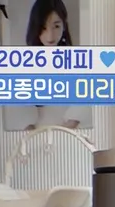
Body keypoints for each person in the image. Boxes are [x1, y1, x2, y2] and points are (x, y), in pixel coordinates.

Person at [19, 0, 83, 130]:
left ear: (64, 25)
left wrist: (65, 130)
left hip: (68, 133)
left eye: (56, 26)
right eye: (43, 28)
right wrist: (31, 128)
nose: (50, 35)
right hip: (41, 132)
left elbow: (81, 105)